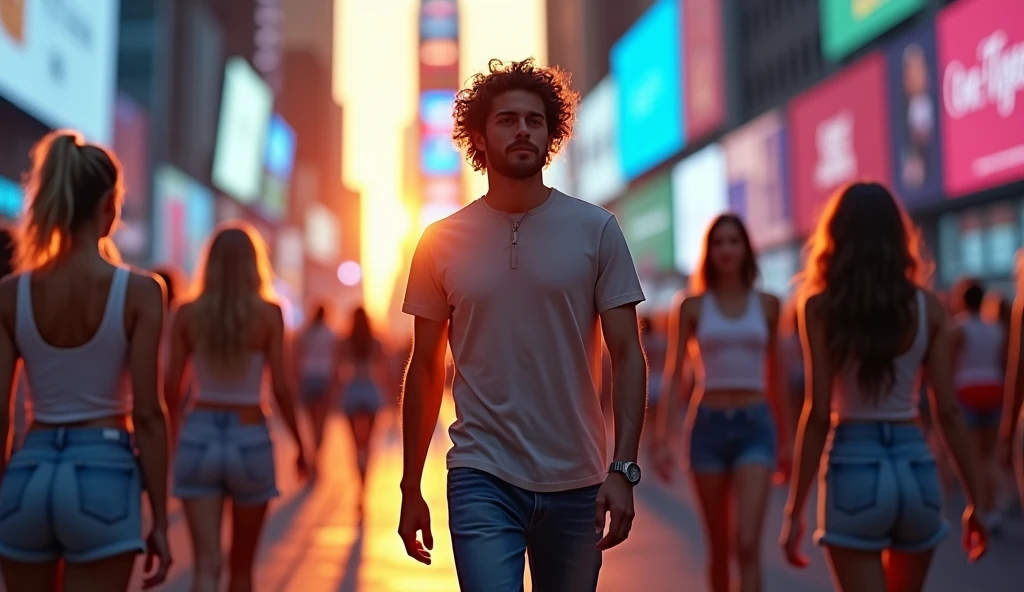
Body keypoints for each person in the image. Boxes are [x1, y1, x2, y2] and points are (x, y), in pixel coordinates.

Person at [398, 58, 647, 591]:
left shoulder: (596, 229)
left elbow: (628, 355)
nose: (523, 130)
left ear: (550, 134)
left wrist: (623, 469)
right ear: (480, 138)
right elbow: (423, 368)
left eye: (535, 120)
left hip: (578, 479)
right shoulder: (440, 242)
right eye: (507, 119)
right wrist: (410, 486)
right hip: (481, 473)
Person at [780, 182, 986, 590]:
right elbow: (947, 410)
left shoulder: (818, 308)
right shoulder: (928, 306)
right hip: (916, 469)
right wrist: (977, 500)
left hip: (852, 467)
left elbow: (818, 413)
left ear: (835, 236)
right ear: (898, 236)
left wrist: (794, 511)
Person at [0, 130, 171, 590]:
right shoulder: (140, 292)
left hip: (28, 474)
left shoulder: (11, 295)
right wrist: (161, 520)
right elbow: (149, 414)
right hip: (105, 475)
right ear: (108, 207)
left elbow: (0, 415)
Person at [164, 223, 308, 592]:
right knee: (242, 571)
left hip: (199, 433)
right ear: (253, 264)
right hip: (250, 436)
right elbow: (281, 387)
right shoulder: (270, 313)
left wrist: (172, 441)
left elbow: (171, 388)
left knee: (205, 567)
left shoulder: (186, 313)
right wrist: (301, 446)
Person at [653, 214, 791, 592]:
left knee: (747, 544)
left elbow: (777, 376)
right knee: (718, 548)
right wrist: (663, 438)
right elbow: (675, 374)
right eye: (718, 243)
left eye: (733, 241)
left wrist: (789, 440)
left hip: (755, 425)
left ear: (746, 248)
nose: (726, 250)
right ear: (708, 252)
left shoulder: (768, 304)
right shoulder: (692, 306)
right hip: (707, 427)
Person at [951, 279, 1007, 529]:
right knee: (989, 455)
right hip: (994, 389)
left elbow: (949, 365)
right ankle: (992, 507)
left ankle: (977, 506)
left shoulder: (958, 328)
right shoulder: (996, 328)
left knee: (973, 454)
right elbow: (1004, 363)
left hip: (967, 390)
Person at [331, 306, 389, 509]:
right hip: (370, 390)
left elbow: (337, 370)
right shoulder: (376, 341)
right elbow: (385, 370)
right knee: (369, 443)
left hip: (352, 390)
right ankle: (364, 486)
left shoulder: (345, 342)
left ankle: (358, 484)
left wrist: (335, 394)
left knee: (355, 444)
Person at [294, 302, 338, 471]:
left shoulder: (306, 333)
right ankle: (317, 455)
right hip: (324, 379)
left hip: (308, 377)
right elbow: (336, 360)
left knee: (311, 422)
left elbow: (297, 355)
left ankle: (313, 453)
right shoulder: (331, 334)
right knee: (321, 422)